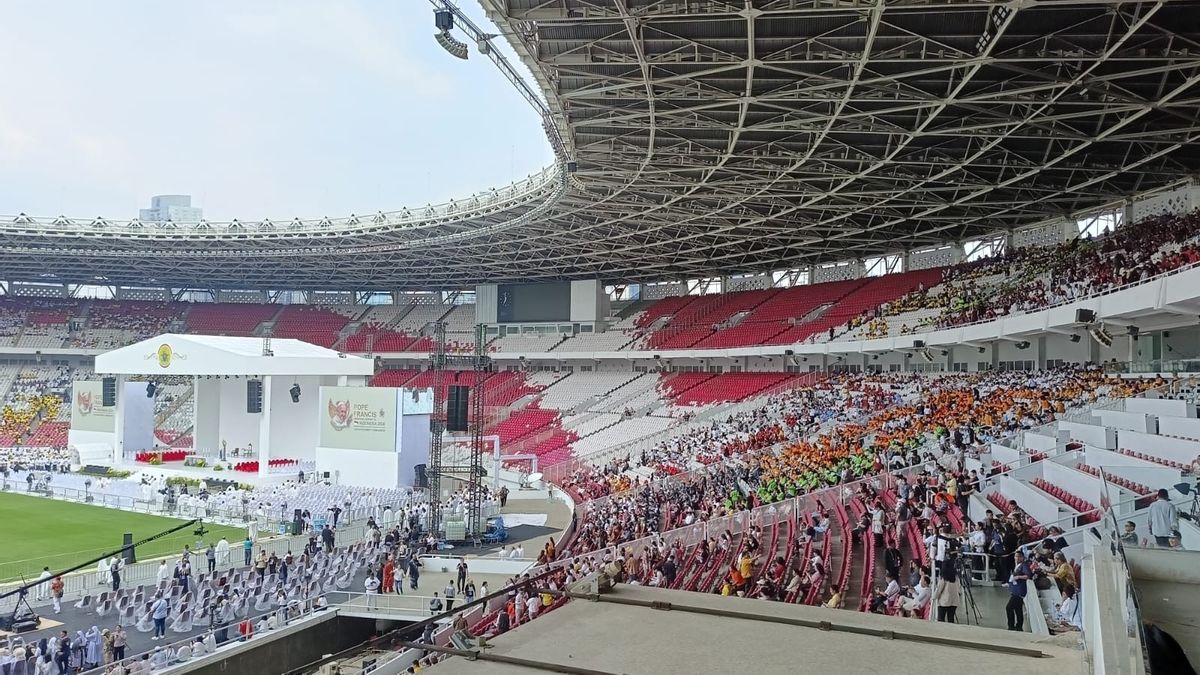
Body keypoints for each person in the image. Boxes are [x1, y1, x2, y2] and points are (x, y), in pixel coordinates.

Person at [1006, 550, 1032, 631]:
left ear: (1022, 557)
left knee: (1009, 607)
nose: (1017, 558)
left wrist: (1018, 577)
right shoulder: (1017, 565)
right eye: (1016, 556)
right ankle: (1019, 626)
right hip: (1015, 590)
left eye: (1019, 556)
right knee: (1018, 609)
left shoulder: (1024, 565)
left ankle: (1011, 625)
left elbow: (1028, 575)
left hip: (1019, 591)